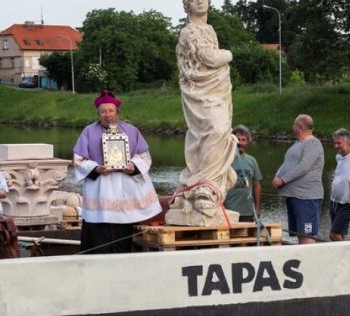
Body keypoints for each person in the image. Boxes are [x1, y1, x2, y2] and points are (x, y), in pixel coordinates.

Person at [170, 0, 238, 220]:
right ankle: (202, 184)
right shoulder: (188, 32)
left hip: (216, 90)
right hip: (199, 93)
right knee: (214, 129)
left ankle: (204, 187)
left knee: (217, 132)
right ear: (187, 5)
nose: (200, 1)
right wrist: (228, 54)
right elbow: (209, 57)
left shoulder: (209, 29)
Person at [73, 90, 162, 254]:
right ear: (98, 113)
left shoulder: (131, 130)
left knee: (123, 224)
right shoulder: (88, 131)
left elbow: (144, 156)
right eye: (103, 111)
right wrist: (96, 168)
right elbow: (79, 159)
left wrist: (133, 166)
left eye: (110, 111)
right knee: (99, 226)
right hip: (101, 185)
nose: (107, 115)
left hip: (125, 185)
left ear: (117, 112)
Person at [271, 114, 325, 244]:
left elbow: (304, 167)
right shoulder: (297, 144)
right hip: (293, 196)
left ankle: (310, 262)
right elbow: (287, 163)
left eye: (294, 125)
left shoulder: (313, 143)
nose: (292, 127)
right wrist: (277, 176)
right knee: (299, 234)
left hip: (306, 197)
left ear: (299, 126)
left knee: (307, 235)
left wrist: (283, 180)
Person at [224, 125, 263, 222]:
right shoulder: (225, 160)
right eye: (238, 139)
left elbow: (257, 185)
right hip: (228, 211)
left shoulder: (252, 161)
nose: (240, 143)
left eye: (243, 140)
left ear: (247, 142)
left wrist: (257, 207)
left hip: (248, 211)